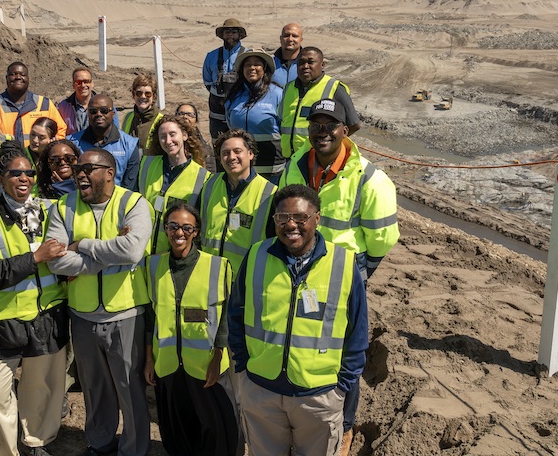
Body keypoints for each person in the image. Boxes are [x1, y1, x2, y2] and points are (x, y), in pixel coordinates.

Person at [278, 98, 400, 454]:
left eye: (330, 125)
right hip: (299, 268)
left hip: (344, 276)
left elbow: (382, 238)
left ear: (345, 130)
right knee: (302, 342)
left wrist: (358, 273)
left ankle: (344, 425)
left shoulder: (370, 179)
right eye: (315, 125)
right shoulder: (297, 166)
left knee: (343, 351)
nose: (322, 132)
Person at [227, 185, 368, 456]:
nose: (291, 225)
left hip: (319, 396)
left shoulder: (343, 264)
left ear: (317, 218)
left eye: (300, 218)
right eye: (282, 218)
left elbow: (358, 333)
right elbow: (236, 314)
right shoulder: (256, 256)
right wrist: (243, 366)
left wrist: (341, 387)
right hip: (261, 389)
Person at [45, 148, 154, 456]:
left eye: (87, 167)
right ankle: (101, 443)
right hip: (82, 316)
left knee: (130, 391)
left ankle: (133, 450)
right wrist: (104, 258)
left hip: (127, 314)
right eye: (77, 167)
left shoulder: (134, 203)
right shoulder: (63, 207)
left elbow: (132, 251)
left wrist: (83, 246)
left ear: (110, 172)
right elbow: (55, 261)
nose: (79, 172)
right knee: (95, 390)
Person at [0, 141, 70, 456]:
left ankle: (36, 442)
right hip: (3, 321)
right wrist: (35, 257)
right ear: (1, 179)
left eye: (28, 173)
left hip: (46, 316)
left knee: (40, 388)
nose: (23, 179)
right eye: (15, 173)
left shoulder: (48, 210)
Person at [143, 203, 238, 456]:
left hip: (206, 366)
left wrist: (219, 357)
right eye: (173, 226)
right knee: (177, 430)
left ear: (196, 232)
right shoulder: (152, 267)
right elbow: (151, 317)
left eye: (187, 227)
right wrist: (149, 359)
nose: (179, 233)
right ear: (165, 229)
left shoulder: (218, 266)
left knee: (217, 430)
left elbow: (226, 317)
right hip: (169, 365)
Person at [199, 129, 276, 269]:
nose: (231, 157)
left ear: (251, 154)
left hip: (246, 279)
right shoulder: (209, 185)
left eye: (237, 151)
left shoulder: (269, 194)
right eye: (225, 153)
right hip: (209, 274)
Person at [139, 115, 210, 254]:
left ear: (184, 135)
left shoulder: (202, 177)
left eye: (172, 134)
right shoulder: (146, 165)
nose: (168, 141)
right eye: (163, 136)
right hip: (143, 251)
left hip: (175, 253)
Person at [278, 47, 361, 159]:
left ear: (322, 65)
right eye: (301, 62)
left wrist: (331, 146)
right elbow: (282, 119)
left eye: (311, 62)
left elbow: (354, 124)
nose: (305, 66)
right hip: (290, 159)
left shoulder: (334, 88)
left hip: (318, 159)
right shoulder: (288, 88)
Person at [224, 49, 286, 183]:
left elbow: (284, 127)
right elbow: (230, 124)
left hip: (271, 168)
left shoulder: (278, 94)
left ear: (264, 68)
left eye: (257, 64)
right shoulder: (234, 96)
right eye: (247, 64)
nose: (252, 68)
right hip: (242, 168)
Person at [69, 93, 141, 190]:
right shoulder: (72, 143)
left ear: (113, 114)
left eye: (104, 111)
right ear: (88, 113)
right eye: (93, 111)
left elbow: (128, 187)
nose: (99, 114)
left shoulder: (130, 146)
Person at [0, 61, 67, 146]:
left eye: (22, 74)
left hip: (36, 157)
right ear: (6, 78)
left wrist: (51, 147)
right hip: (5, 156)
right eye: (13, 74)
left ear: (28, 78)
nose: (18, 77)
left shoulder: (44, 104)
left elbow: (61, 129)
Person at [202, 18, 248, 140]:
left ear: (239, 35)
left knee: (241, 142)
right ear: (222, 35)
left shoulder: (248, 55)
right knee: (218, 143)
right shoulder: (211, 56)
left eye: (233, 32)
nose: (230, 35)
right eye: (227, 32)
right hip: (217, 111)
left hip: (240, 108)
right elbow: (207, 81)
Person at [120, 74, 163, 154]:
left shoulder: (161, 121)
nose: (143, 97)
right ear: (133, 95)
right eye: (139, 93)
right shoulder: (127, 117)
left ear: (154, 96)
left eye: (148, 94)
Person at [174, 103, 215, 172]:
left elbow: (211, 172)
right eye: (181, 113)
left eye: (190, 115)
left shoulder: (204, 148)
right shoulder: (169, 141)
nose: (185, 117)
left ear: (196, 121)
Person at [56, 67, 95, 135]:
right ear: (73, 85)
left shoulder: (104, 105)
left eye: (86, 81)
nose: (83, 85)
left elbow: (113, 132)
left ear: (92, 84)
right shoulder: (63, 107)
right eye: (78, 82)